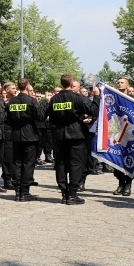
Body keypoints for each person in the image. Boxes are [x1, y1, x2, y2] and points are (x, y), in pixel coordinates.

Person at [45, 74, 98, 205]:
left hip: (59, 135)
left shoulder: (54, 99)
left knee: (61, 163)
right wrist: (96, 97)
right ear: (71, 84)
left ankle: (64, 193)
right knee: (76, 163)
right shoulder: (77, 97)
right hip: (75, 134)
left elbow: (49, 115)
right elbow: (93, 111)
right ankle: (72, 194)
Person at [5, 79, 39, 201]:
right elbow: (40, 116)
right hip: (29, 135)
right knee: (28, 163)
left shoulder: (12, 101)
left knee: (17, 162)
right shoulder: (31, 100)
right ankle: (25, 192)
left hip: (15, 134)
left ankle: (17, 191)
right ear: (28, 86)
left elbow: (8, 118)